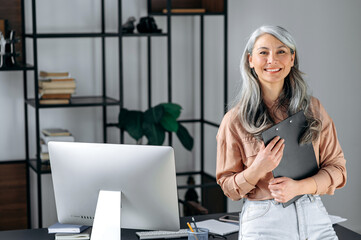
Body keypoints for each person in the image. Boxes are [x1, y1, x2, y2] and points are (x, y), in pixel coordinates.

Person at [216, 26, 346, 240]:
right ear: (250, 60)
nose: (272, 60)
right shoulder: (234, 120)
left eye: (281, 51)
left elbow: (338, 169)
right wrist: (257, 169)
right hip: (264, 221)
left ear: (292, 58)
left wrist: (298, 187)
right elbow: (229, 188)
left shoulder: (313, 109)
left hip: (315, 215)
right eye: (263, 52)